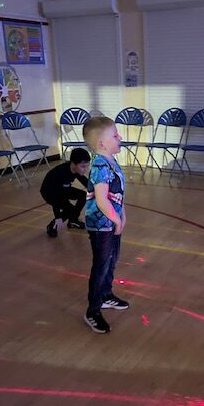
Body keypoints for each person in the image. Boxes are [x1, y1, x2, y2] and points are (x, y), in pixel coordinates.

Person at [82, 117, 129, 334]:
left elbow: (116, 194)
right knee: (101, 265)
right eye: (115, 135)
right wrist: (116, 220)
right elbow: (101, 200)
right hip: (101, 226)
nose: (120, 137)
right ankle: (93, 310)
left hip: (112, 222)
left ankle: (106, 295)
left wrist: (122, 215)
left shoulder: (111, 160)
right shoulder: (100, 165)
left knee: (111, 261)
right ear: (102, 143)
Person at [40, 147, 90, 238]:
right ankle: (52, 226)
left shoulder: (75, 170)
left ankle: (73, 220)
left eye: (87, 166)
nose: (85, 169)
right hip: (49, 192)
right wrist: (58, 217)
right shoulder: (61, 173)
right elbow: (55, 196)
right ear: (74, 164)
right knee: (70, 210)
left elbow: (87, 184)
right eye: (83, 166)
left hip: (63, 189)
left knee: (82, 195)